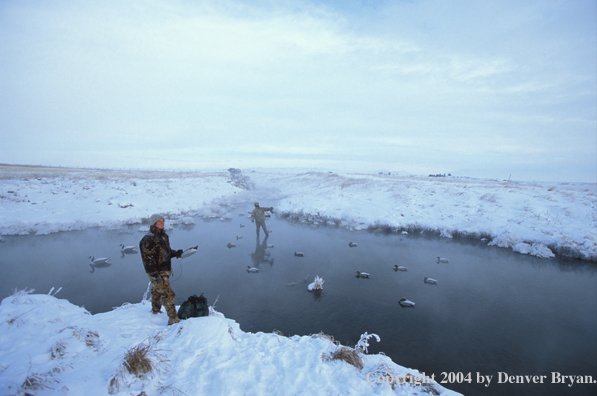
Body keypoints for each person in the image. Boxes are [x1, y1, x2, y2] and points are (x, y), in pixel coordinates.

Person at [139, 214, 183, 325]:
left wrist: (176, 253)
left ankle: (155, 309)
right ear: (153, 224)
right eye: (159, 221)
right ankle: (173, 319)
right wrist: (154, 275)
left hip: (166, 269)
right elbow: (148, 260)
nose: (162, 223)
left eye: (163, 221)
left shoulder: (164, 236)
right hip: (157, 272)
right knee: (168, 294)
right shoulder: (147, 240)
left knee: (157, 290)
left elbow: (165, 253)